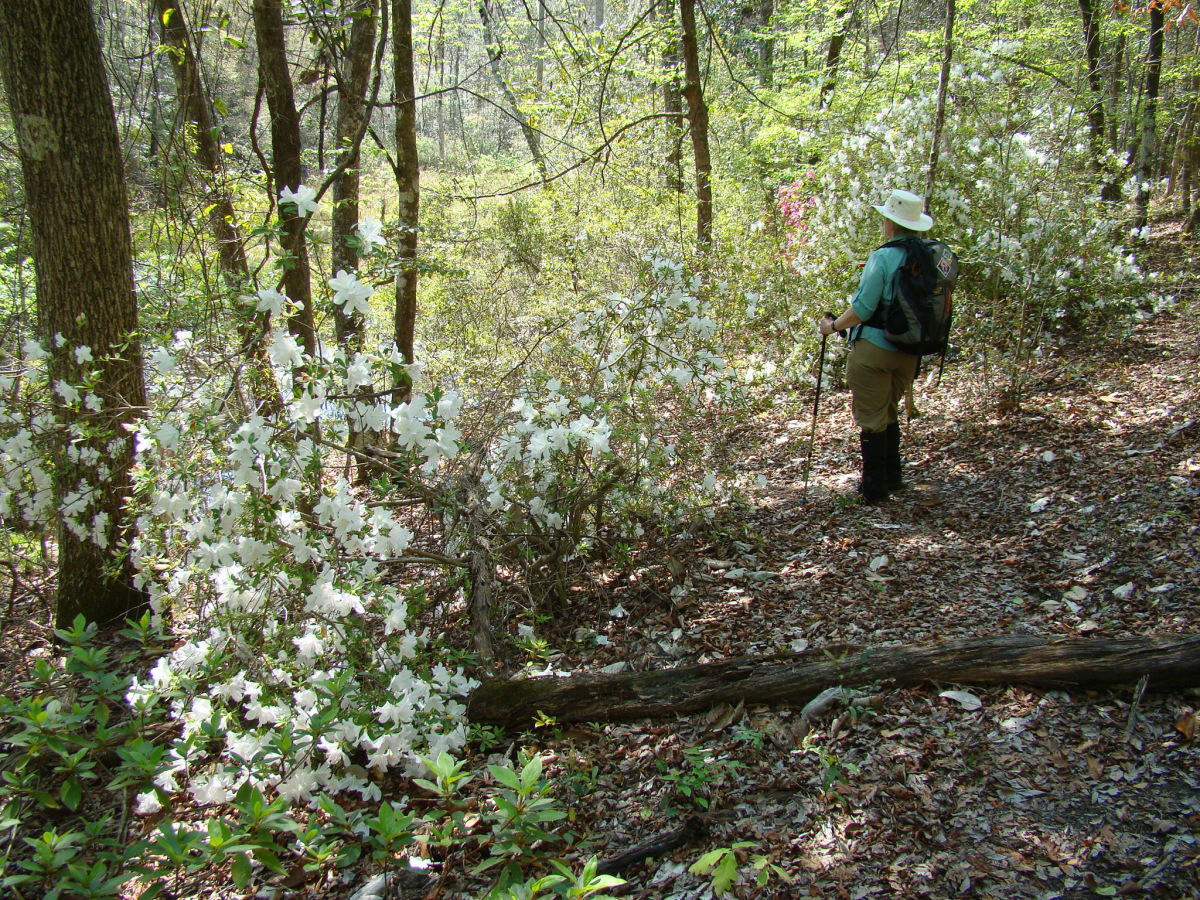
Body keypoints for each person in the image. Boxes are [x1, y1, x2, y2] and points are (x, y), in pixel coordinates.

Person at [817, 188, 933, 503]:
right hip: (910, 351)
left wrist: (833, 326)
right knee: (888, 411)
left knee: (871, 417)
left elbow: (864, 309)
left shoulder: (883, 257)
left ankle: (874, 490)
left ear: (891, 223)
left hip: (875, 350)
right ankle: (893, 479)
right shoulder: (927, 256)